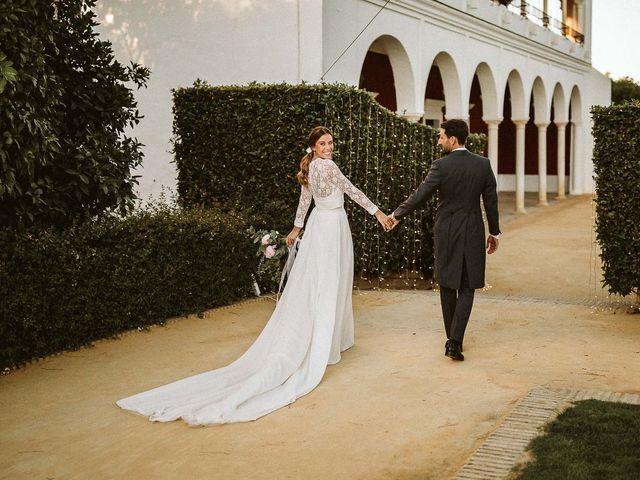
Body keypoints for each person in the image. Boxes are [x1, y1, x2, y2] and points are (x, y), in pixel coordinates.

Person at [117, 126, 391, 425]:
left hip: (317, 226)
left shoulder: (310, 166)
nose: (329, 148)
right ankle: (327, 342)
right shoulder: (327, 166)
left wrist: (297, 229)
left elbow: (304, 201)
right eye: (323, 144)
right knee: (330, 281)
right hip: (332, 225)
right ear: (312, 147)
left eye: (331, 143)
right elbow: (352, 190)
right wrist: (378, 214)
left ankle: (327, 336)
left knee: (315, 281)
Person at [386, 119, 500, 361]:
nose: (439, 141)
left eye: (441, 137)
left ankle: (452, 340)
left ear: (453, 139)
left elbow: (420, 195)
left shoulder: (440, 166)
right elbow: (491, 201)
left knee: (448, 284)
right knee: (468, 286)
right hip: (472, 230)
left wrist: (397, 214)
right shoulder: (483, 165)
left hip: (446, 230)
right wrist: (494, 232)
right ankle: (455, 341)